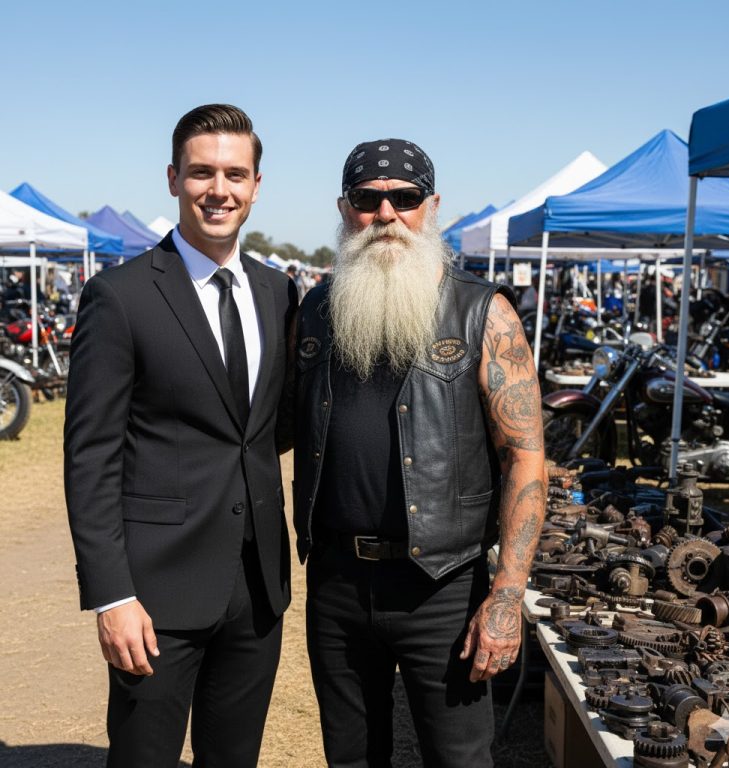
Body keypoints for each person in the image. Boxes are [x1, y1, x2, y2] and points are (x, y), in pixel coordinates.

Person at [293, 139, 547, 766]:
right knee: (350, 758)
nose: (386, 215)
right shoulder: (318, 311)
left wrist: (508, 595)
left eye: (404, 199)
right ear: (343, 208)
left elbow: (526, 456)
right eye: (367, 198)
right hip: (336, 585)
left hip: (444, 587)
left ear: (431, 206)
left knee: (459, 760)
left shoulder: (483, 312)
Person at [64, 104, 297, 768]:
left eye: (234, 174)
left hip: (258, 588)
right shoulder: (121, 296)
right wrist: (112, 594)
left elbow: (265, 430)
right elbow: (90, 457)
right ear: (173, 178)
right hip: (155, 595)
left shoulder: (279, 292)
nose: (217, 189)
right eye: (201, 172)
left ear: (256, 185)